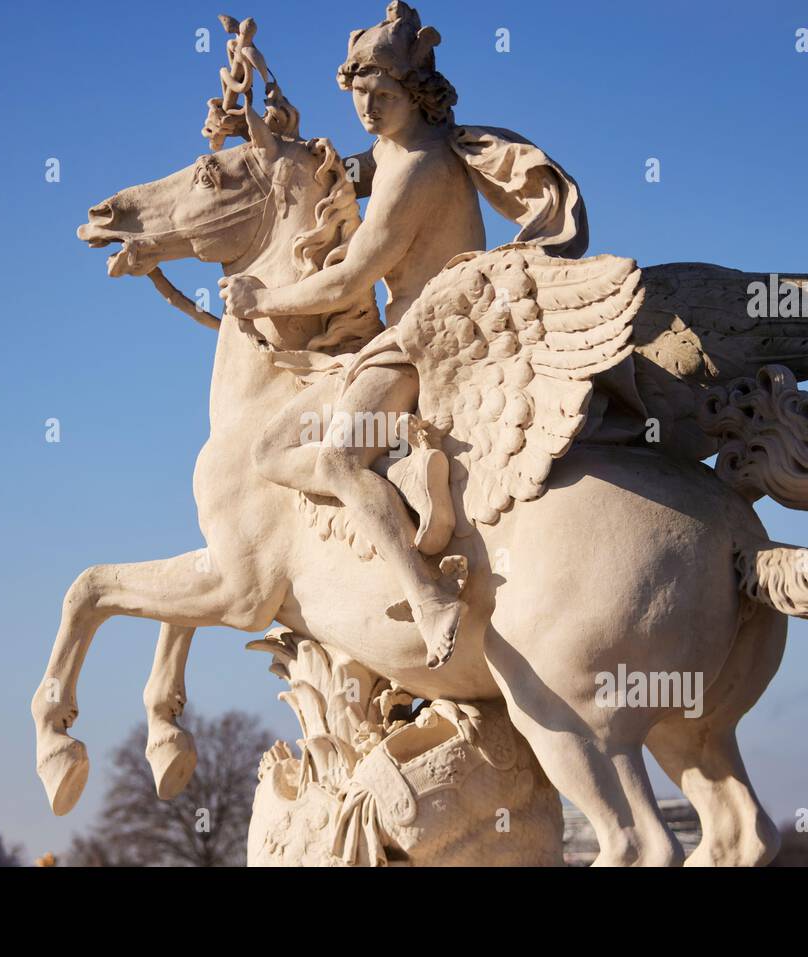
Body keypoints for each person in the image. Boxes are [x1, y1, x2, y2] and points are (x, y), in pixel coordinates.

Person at [219, 1, 588, 668]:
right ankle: (406, 480)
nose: (367, 111)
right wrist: (268, 125)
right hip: (406, 336)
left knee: (334, 459)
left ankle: (427, 596)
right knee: (270, 451)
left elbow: (349, 280)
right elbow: (335, 168)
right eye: (359, 96)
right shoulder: (394, 150)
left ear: (414, 96)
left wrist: (263, 298)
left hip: (425, 340)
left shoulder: (418, 168)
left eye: (381, 96)